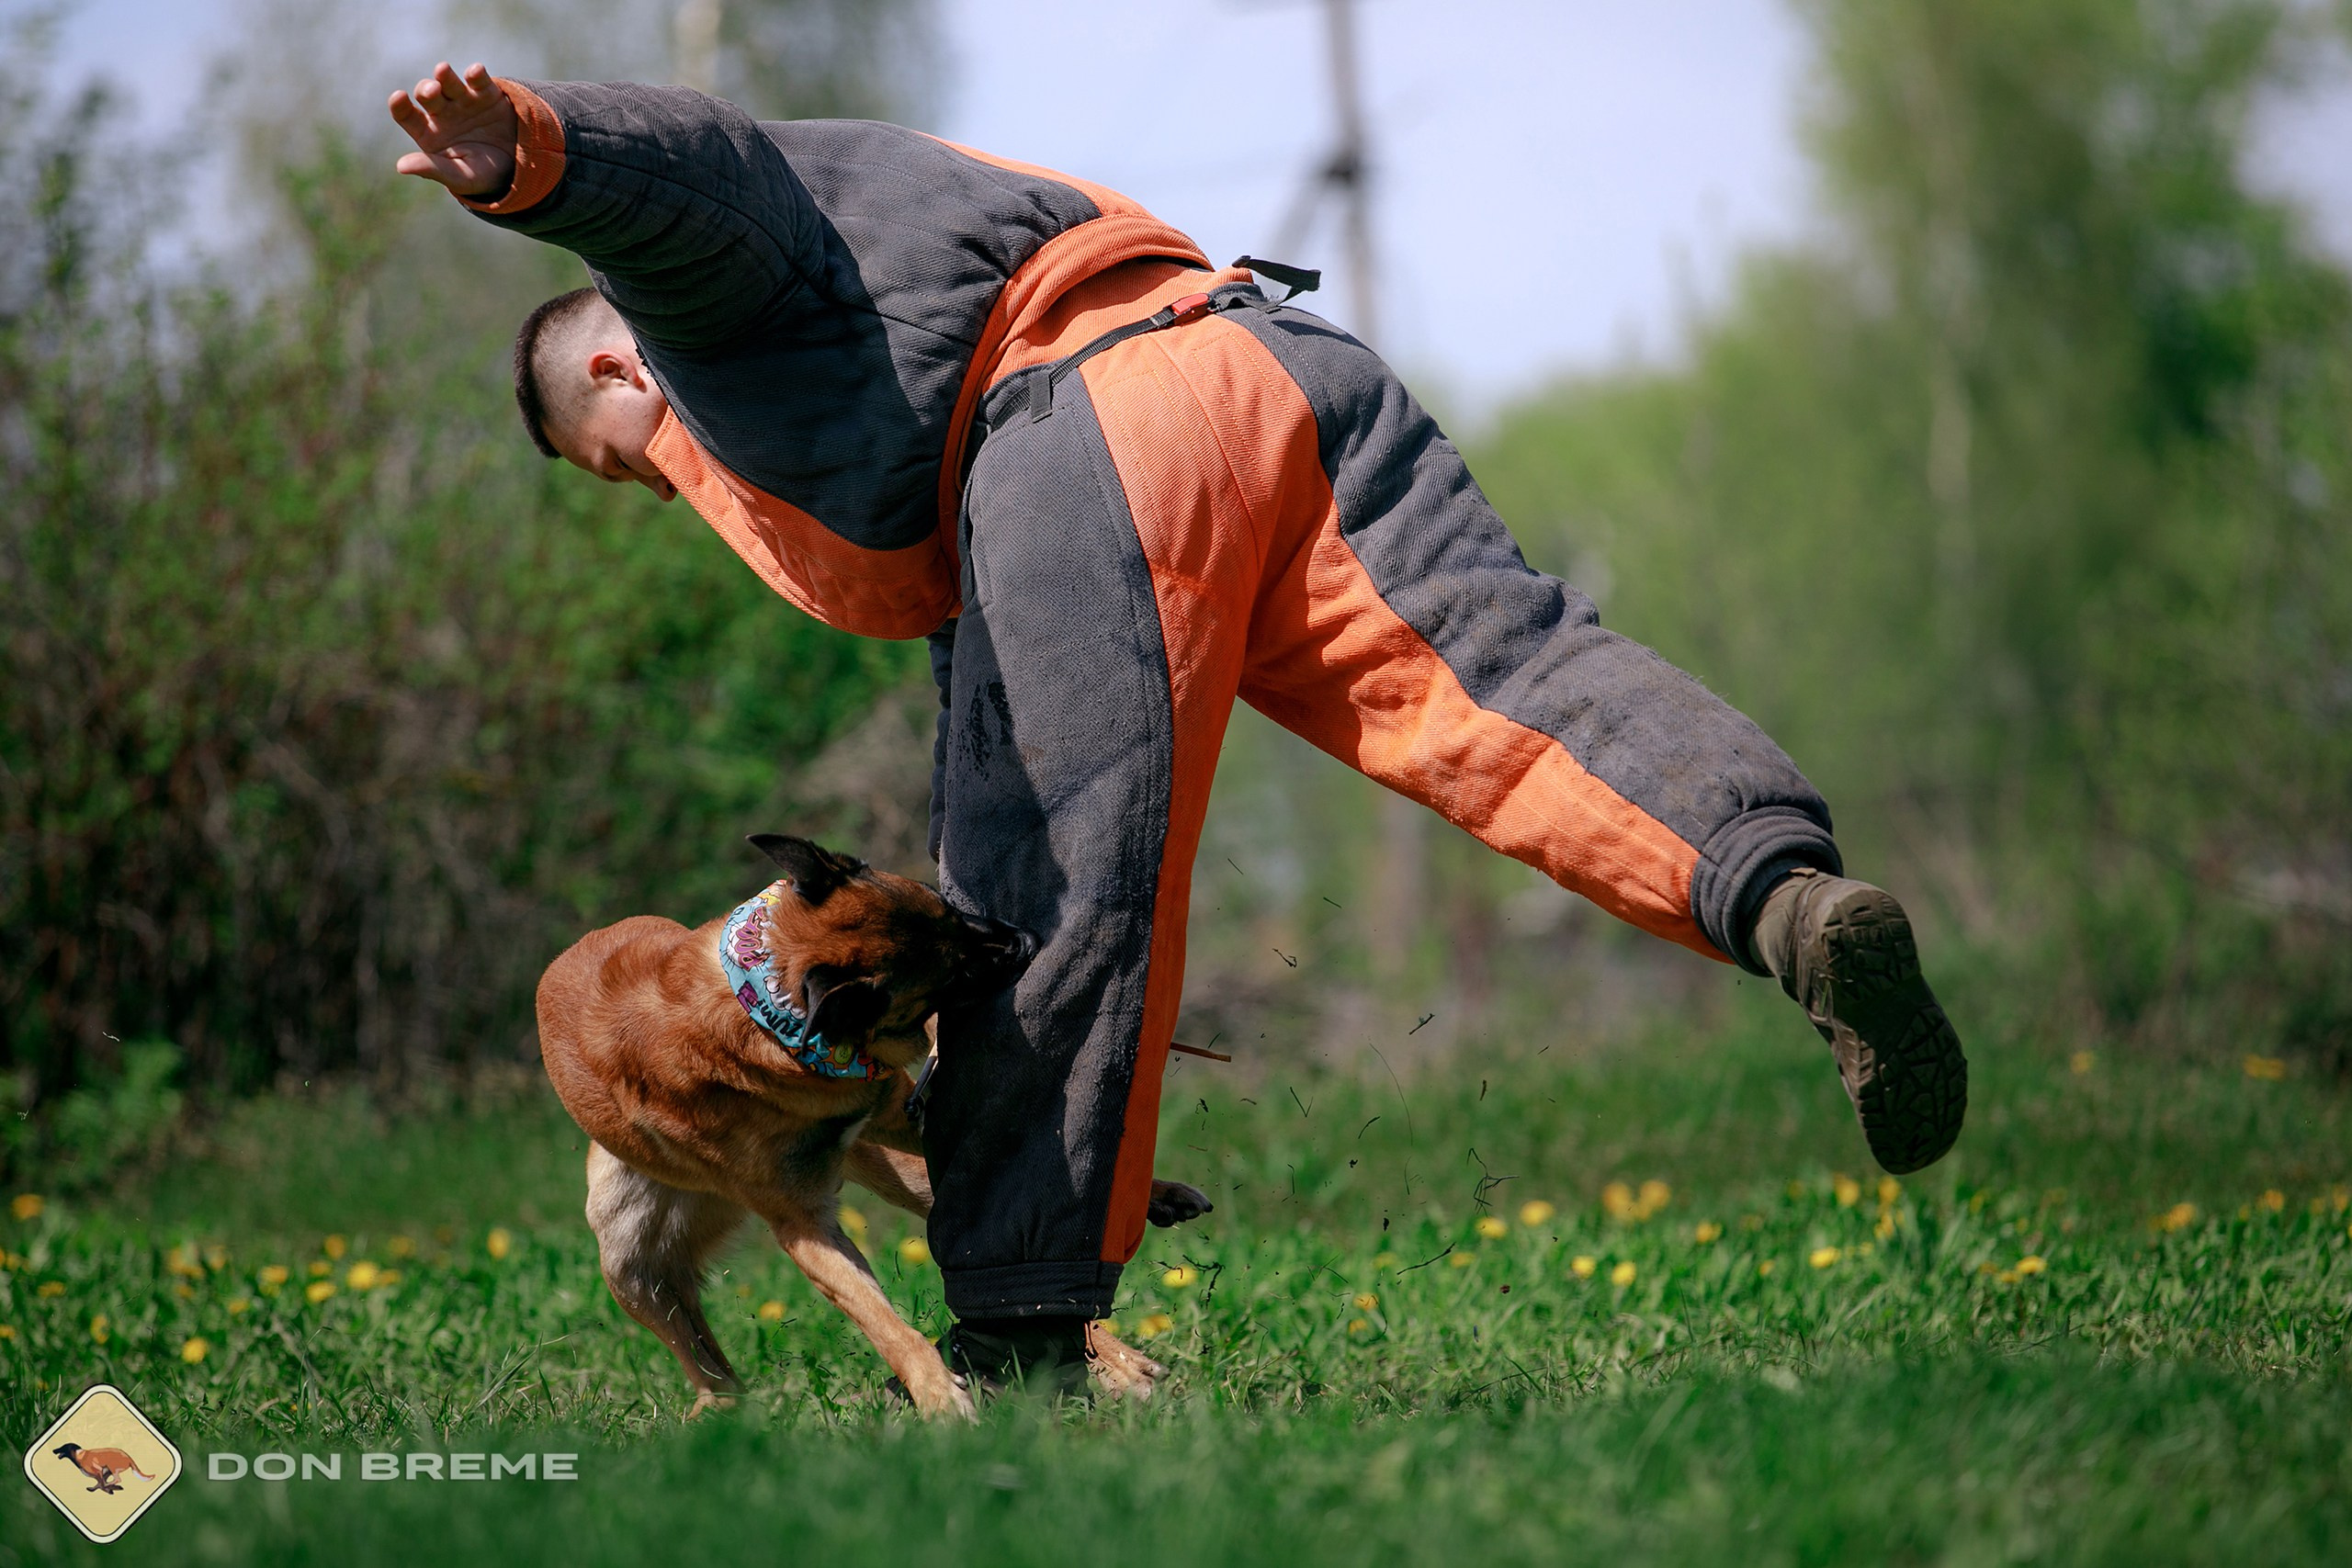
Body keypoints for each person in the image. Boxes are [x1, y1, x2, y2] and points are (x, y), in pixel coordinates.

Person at [389, 62, 1966, 1392]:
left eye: (622, 458)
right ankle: (1788, 899)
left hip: (1088, 435)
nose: (659, 484)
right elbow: (975, 633)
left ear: (610, 364)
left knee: (1037, 894)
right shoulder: (913, 225)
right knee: (1507, 689)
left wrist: (540, 155)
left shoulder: (688, 313)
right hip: (1265, 361)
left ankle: (1020, 1332)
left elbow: (704, 174)